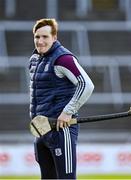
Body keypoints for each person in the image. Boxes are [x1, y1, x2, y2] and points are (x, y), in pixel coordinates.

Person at [29, 18, 94, 179]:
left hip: (61, 131)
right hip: (41, 131)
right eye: (37, 37)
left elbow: (87, 85)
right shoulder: (35, 59)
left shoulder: (63, 58)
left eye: (45, 37)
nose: (40, 41)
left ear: (54, 38)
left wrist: (67, 112)